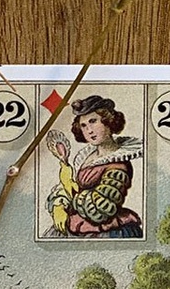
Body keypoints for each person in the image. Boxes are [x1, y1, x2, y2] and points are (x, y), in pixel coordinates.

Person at [44, 96, 143, 238]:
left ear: (108, 121)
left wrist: (70, 189)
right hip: (77, 224)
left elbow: (100, 208)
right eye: (83, 125)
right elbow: (70, 185)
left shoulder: (118, 165)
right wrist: (59, 205)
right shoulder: (86, 157)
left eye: (93, 121)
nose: (89, 130)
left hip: (106, 230)